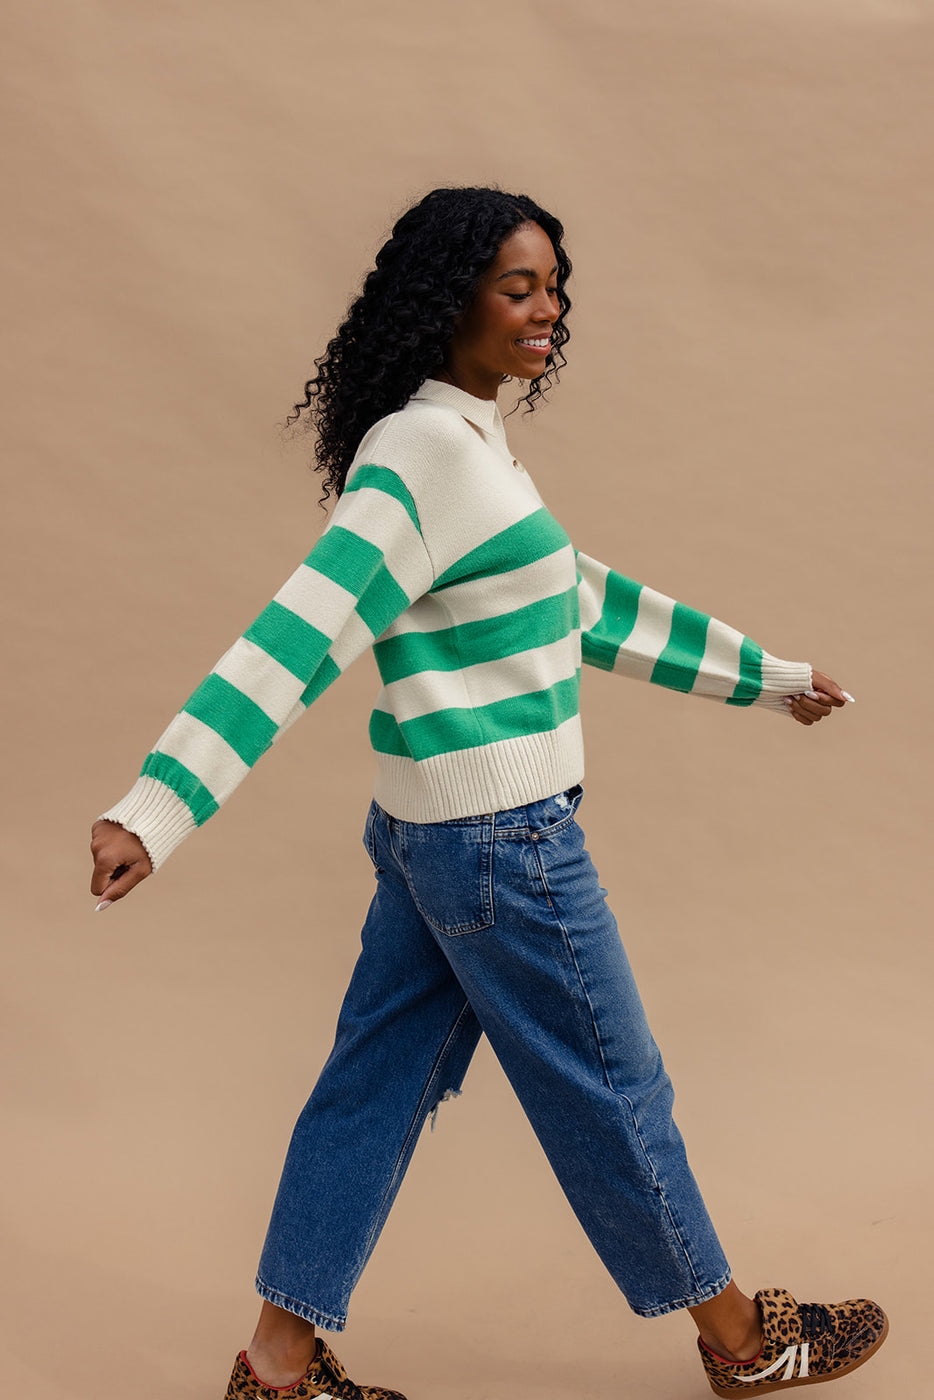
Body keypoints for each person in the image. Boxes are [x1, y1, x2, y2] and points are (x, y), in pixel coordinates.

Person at [89, 187, 887, 1400]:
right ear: (444, 299)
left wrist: (761, 678)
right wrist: (157, 805)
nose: (546, 311)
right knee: (616, 1090)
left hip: (433, 843)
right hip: (502, 846)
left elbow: (577, 598)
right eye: (518, 288)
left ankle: (274, 1364)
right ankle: (740, 1338)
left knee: (370, 1084)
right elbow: (297, 637)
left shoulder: (461, 445)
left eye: (554, 289)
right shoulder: (421, 458)